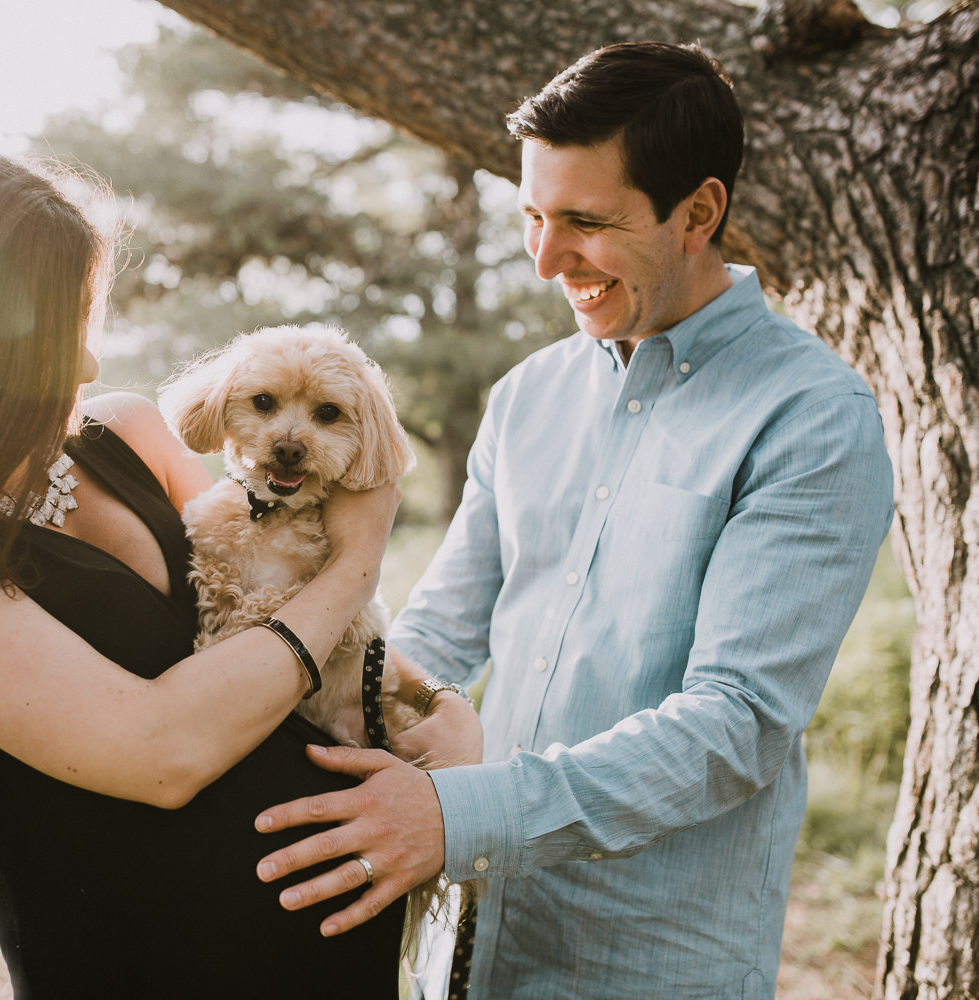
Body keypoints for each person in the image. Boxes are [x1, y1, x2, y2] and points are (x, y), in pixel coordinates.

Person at [0, 137, 476, 998]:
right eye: (60, 332)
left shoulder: (122, 435)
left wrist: (443, 706)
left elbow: (281, 599)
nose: (89, 363)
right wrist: (360, 558)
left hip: (334, 951)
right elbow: (163, 750)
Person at [251, 41, 896, 998]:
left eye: (586, 223)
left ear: (700, 213)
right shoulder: (525, 397)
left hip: (648, 963)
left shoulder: (810, 416)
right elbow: (437, 633)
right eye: (533, 217)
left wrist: (456, 816)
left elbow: (739, 723)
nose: (549, 260)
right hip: (457, 955)